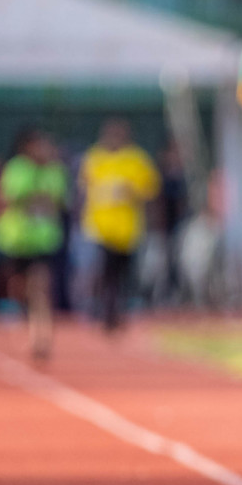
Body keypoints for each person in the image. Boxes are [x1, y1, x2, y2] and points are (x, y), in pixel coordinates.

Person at [0, 129, 68, 360]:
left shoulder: (55, 170)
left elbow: (58, 201)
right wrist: (35, 197)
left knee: (40, 287)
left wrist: (33, 198)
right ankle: (28, 321)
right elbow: (11, 197)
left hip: (43, 241)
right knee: (19, 288)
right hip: (17, 241)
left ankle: (40, 336)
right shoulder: (16, 168)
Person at [79, 119, 160, 333]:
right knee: (104, 272)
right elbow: (84, 187)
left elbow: (150, 189)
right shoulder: (95, 158)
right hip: (101, 228)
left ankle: (117, 310)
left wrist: (129, 191)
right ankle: (105, 312)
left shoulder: (136, 159)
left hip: (127, 229)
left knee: (123, 275)